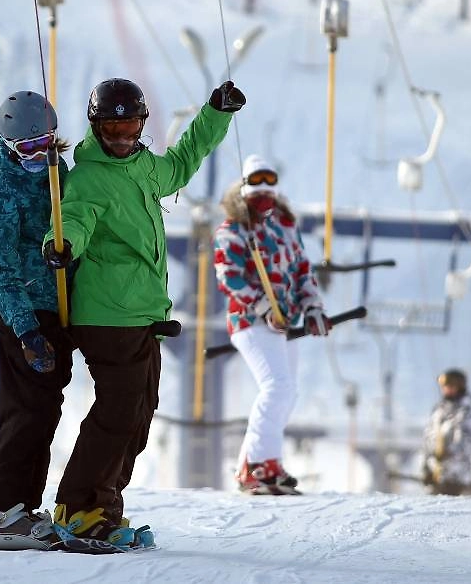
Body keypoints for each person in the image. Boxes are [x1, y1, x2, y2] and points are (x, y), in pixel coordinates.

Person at [43, 77, 245, 544]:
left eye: (130, 126)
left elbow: (181, 163)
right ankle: (77, 507)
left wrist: (216, 113)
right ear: (96, 127)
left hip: (141, 316)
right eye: (112, 128)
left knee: (137, 413)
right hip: (107, 315)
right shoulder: (90, 175)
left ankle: (104, 507)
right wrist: (62, 245)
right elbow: (74, 215)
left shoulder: (142, 167)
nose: (121, 137)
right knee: (118, 412)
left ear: (141, 126)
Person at [0, 90, 73, 546]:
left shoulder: (57, 174)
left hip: (55, 308)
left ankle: (22, 506)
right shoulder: (1, 189)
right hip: (22, 314)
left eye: (46, 144)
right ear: (10, 146)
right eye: (27, 148)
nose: (38, 155)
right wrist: (26, 329)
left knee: (45, 410)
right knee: (24, 411)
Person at [213, 154, 330, 494]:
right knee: (276, 386)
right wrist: (264, 307)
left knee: (287, 390)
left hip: (287, 320)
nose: (264, 188)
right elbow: (229, 276)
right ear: (245, 185)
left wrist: (312, 308)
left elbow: (302, 269)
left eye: (270, 181)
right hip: (250, 320)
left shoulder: (285, 225)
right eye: (256, 181)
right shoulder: (234, 228)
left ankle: (259, 462)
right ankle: (259, 465)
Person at [420, 368, 471, 496]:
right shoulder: (438, 412)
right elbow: (428, 442)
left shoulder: (465, 414)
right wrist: (427, 468)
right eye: (445, 386)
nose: (447, 389)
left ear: (460, 387)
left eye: (451, 386)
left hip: (458, 481)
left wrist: (448, 455)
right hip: (436, 480)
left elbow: (466, 446)